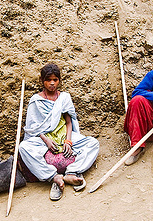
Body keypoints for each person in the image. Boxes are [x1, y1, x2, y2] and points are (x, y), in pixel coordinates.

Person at [19, 63, 100, 201]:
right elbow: (34, 128)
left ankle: (72, 171)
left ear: (59, 81)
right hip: (44, 137)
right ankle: (53, 176)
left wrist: (68, 141)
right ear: (42, 81)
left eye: (55, 80)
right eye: (48, 80)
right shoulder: (36, 100)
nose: (52, 83)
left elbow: (69, 122)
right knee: (24, 148)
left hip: (63, 134)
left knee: (93, 143)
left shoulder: (64, 98)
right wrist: (46, 140)